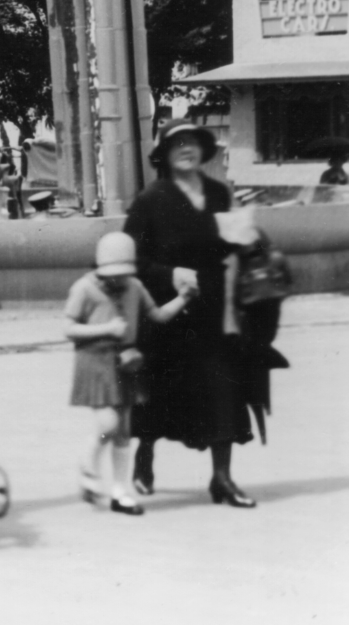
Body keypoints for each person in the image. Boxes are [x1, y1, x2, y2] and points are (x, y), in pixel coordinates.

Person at [124, 119, 276, 508]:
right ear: (165, 154)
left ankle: (222, 479)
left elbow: (227, 246)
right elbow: (130, 260)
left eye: (192, 142)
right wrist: (169, 273)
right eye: (178, 144)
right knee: (159, 396)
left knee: (223, 390)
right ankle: (145, 457)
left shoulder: (218, 193)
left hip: (213, 310)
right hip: (166, 315)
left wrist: (247, 241)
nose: (187, 149)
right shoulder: (149, 200)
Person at [64, 230, 193, 515]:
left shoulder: (134, 286)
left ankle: (120, 493)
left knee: (123, 431)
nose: (119, 279)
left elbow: (157, 315)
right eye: (113, 274)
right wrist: (106, 329)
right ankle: (88, 463)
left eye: (124, 273)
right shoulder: (84, 288)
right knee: (108, 425)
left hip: (126, 361)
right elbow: (69, 328)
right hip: (95, 361)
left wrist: (183, 298)